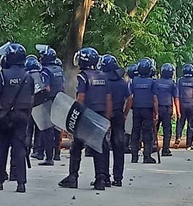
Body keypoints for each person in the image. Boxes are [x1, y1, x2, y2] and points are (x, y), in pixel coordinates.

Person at [58, 47, 112, 190]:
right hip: (100, 115)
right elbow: (108, 99)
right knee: (99, 147)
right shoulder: (103, 76)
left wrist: (76, 118)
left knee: (76, 147)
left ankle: (73, 177)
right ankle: (101, 178)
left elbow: (81, 98)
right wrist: (106, 118)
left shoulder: (83, 77)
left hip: (86, 115)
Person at [0, 43, 33, 193]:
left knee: (2, 148)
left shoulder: (2, 74)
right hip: (22, 115)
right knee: (19, 148)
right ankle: (21, 183)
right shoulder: (28, 76)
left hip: (5, 116)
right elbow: (31, 99)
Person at [102, 54, 130, 186]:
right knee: (118, 146)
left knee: (103, 145)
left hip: (103, 115)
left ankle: (104, 176)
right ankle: (118, 178)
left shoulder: (103, 81)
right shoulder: (122, 82)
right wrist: (125, 113)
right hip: (118, 114)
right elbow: (130, 98)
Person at [126, 58, 158, 164]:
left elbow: (130, 98)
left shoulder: (133, 81)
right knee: (147, 133)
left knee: (135, 131)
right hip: (148, 110)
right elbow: (155, 99)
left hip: (136, 110)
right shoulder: (152, 82)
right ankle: (147, 156)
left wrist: (126, 112)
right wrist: (156, 113)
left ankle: (134, 156)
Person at [39, 46, 64, 166]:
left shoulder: (45, 71)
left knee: (47, 129)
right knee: (58, 128)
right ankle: (57, 154)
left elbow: (46, 87)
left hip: (49, 101)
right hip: (59, 100)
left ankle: (49, 157)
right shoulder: (59, 69)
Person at [26, 54, 50, 161]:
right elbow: (47, 89)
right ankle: (38, 151)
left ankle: (26, 149)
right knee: (39, 130)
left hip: (28, 106)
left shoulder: (26, 76)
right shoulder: (42, 75)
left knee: (28, 129)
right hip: (40, 105)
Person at [155, 63, 180, 156]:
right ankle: (165, 150)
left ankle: (152, 146)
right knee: (167, 130)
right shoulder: (172, 84)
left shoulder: (156, 82)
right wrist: (178, 111)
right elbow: (176, 98)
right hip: (167, 109)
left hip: (157, 108)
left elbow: (154, 97)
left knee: (154, 129)